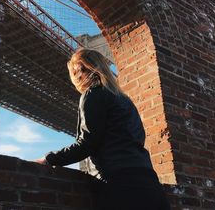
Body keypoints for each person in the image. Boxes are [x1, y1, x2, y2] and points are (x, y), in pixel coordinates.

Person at [34, 48, 171, 210]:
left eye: (73, 73)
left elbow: (86, 144)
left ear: (80, 71)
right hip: (149, 183)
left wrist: (48, 159)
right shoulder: (125, 101)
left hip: (120, 186)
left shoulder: (93, 95)